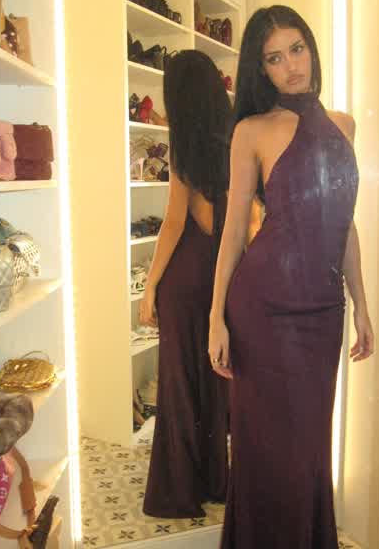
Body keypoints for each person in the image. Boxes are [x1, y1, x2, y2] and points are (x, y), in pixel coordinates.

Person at [208, 5, 374, 548]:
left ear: (311, 49)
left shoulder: (344, 125)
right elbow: (234, 232)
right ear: (261, 70)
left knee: (308, 451)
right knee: (265, 452)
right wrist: (216, 318)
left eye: (296, 49)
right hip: (263, 311)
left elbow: (344, 223)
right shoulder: (251, 131)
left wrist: (362, 304)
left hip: (323, 315)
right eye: (274, 58)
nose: (291, 66)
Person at [139, 49, 261, 518]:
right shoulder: (239, 138)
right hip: (223, 274)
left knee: (178, 384)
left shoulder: (184, 147)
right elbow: (244, 222)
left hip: (185, 277)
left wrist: (151, 285)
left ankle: (178, 492)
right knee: (215, 381)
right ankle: (214, 481)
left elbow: (175, 222)